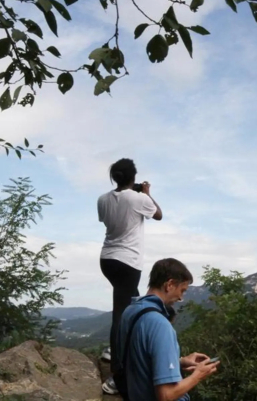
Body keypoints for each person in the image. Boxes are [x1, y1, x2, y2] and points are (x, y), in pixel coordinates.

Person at [98, 158, 163, 395]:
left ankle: (117, 349)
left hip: (107, 259)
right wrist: (146, 193)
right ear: (133, 177)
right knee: (122, 314)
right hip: (128, 262)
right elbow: (158, 214)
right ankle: (117, 375)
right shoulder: (139, 199)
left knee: (132, 305)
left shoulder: (102, 199)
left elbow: (108, 218)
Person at [115, 258, 219, 401]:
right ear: (169, 285)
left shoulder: (131, 311)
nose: (180, 297)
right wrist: (198, 375)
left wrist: (179, 361)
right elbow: (166, 395)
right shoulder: (160, 324)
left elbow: (140, 361)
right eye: (182, 290)